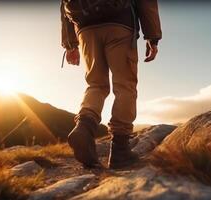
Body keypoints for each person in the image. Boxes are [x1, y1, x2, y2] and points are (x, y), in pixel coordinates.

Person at [60, 0, 162, 169]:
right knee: (125, 86)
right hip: (120, 23)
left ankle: (84, 127)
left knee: (96, 84)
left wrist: (70, 43)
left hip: (85, 27)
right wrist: (153, 36)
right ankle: (120, 150)